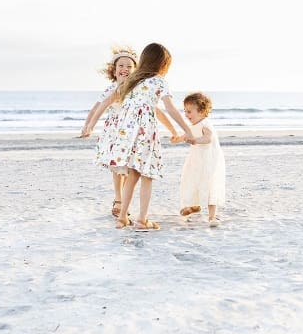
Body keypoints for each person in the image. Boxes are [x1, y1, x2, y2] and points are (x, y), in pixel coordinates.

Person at [95, 43, 195, 230]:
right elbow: (169, 108)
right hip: (145, 132)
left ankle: (122, 218)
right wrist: (186, 130)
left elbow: (108, 103)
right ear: (162, 64)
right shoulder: (158, 81)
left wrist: (91, 124)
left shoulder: (133, 81)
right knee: (147, 175)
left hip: (127, 133)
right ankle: (142, 219)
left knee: (132, 176)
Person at [79, 47, 181, 218]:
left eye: (129, 66)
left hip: (132, 131)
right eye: (121, 65)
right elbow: (99, 106)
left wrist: (171, 129)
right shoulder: (113, 88)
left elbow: (155, 109)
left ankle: (123, 207)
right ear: (114, 69)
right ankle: (119, 199)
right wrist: (88, 125)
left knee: (129, 167)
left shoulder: (136, 85)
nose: (125, 69)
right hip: (115, 131)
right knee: (118, 167)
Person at [178, 92, 226, 227]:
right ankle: (194, 206)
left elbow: (208, 139)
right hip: (197, 160)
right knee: (192, 181)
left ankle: (212, 216)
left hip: (210, 161)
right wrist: (177, 139)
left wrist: (195, 140)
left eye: (189, 111)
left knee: (210, 185)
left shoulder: (205, 124)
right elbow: (186, 135)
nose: (186, 115)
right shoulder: (193, 125)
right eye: (185, 111)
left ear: (201, 111)